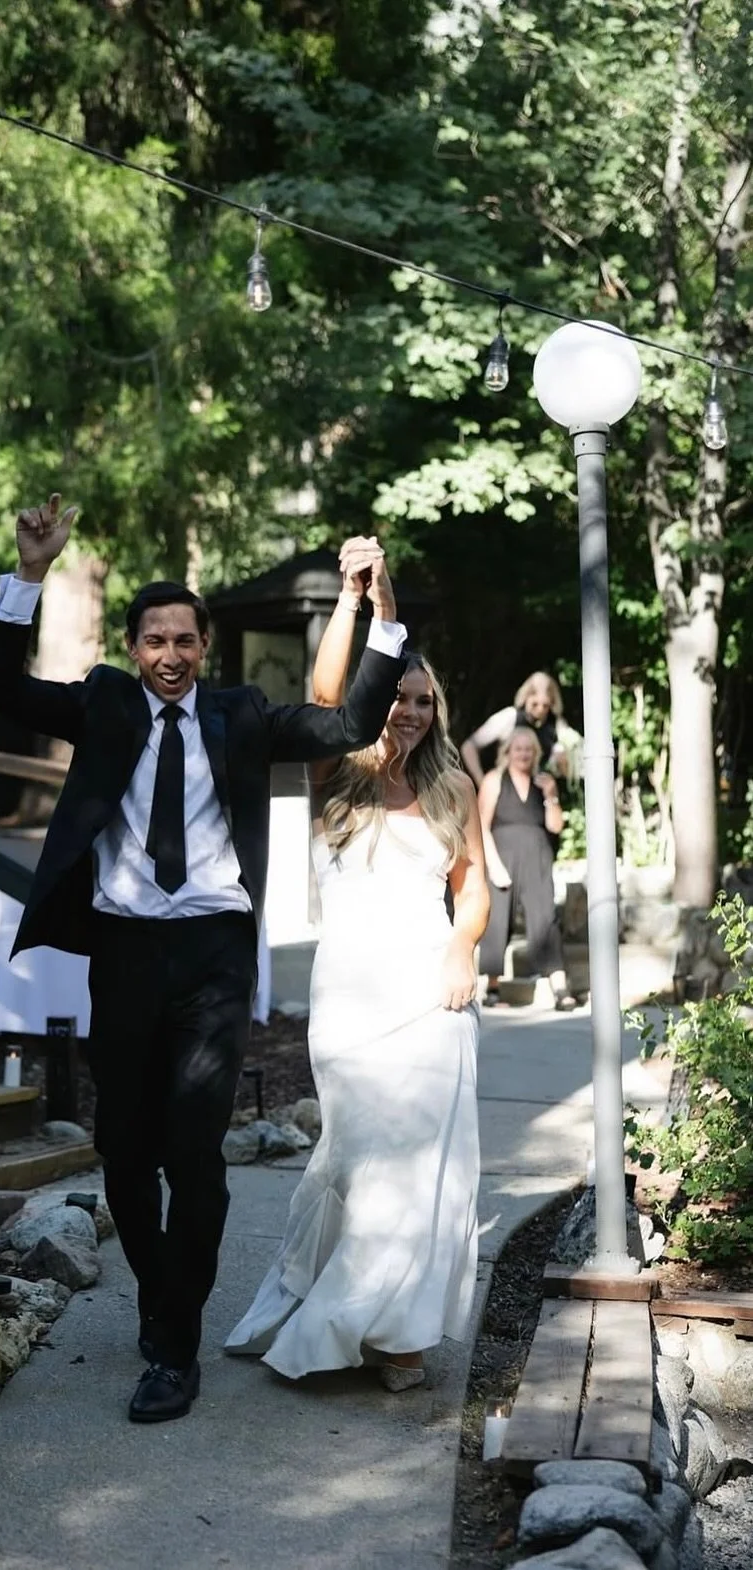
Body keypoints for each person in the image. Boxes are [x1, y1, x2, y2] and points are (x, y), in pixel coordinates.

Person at [0, 495, 408, 1423]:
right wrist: (31, 574)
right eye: (154, 640)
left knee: (193, 1154)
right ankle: (164, 1293)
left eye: (185, 641)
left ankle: (174, 1348)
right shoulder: (101, 704)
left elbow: (348, 724)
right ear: (134, 647)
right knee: (125, 1155)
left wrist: (378, 609)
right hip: (123, 953)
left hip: (212, 954)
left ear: (204, 649)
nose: (170, 655)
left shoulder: (241, 713)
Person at [225, 559, 489, 1390]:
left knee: (427, 1169)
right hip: (351, 1004)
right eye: (397, 695)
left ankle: (399, 1336)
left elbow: (473, 886)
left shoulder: (452, 786)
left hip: (431, 1000)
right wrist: (360, 600)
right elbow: (328, 683)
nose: (407, 711)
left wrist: (462, 950)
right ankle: (342, 1311)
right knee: (364, 1162)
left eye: (422, 700)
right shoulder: (335, 774)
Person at [478, 726, 576, 1011]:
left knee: (545, 918)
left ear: (536, 754)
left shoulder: (543, 782)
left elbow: (555, 826)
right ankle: (492, 988)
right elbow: (481, 825)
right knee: (496, 920)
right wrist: (493, 864)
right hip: (502, 855)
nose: (523, 753)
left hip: (537, 857)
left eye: (529, 749)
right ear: (508, 751)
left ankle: (559, 986)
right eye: (518, 748)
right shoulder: (494, 780)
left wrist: (551, 794)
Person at [460, 671, 571, 786]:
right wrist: (482, 783)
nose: (540, 710)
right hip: (505, 789)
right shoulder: (510, 717)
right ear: (526, 697)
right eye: (535, 704)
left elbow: (566, 770)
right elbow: (468, 747)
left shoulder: (556, 727)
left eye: (545, 706)